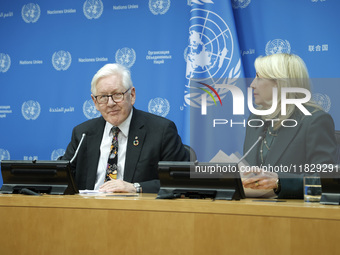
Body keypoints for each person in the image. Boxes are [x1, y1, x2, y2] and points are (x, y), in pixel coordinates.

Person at [61, 63, 189, 193]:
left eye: (117, 94)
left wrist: (136, 187)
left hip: (138, 210)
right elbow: (61, 176)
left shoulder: (161, 131)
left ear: (132, 95)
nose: (110, 103)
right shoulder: (83, 133)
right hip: (89, 209)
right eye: (103, 97)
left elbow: (180, 179)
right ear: (95, 102)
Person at [242, 53, 337, 199]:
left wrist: (280, 182)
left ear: (280, 84)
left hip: (295, 215)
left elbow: (326, 181)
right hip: (253, 210)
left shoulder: (315, 121)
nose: (252, 84)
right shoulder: (255, 119)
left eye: (259, 77)